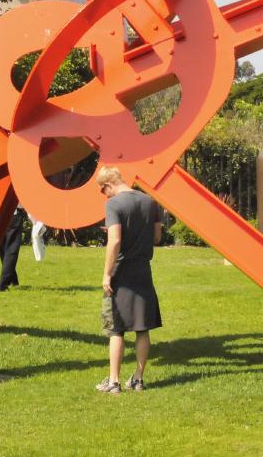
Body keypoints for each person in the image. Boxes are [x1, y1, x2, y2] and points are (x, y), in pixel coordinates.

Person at [95, 166, 164, 394]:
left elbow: (114, 241)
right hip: (143, 270)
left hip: (121, 272)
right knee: (142, 328)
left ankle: (114, 382)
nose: (104, 195)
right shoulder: (149, 202)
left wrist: (107, 273)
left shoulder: (114, 204)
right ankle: (138, 379)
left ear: (108, 185)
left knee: (117, 329)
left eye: (102, 190)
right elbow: (156, 237)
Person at [0, 203, 25, 291]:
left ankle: (13, 279)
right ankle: (3, 283)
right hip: (14, 213)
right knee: (11, 248)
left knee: (3, 248)